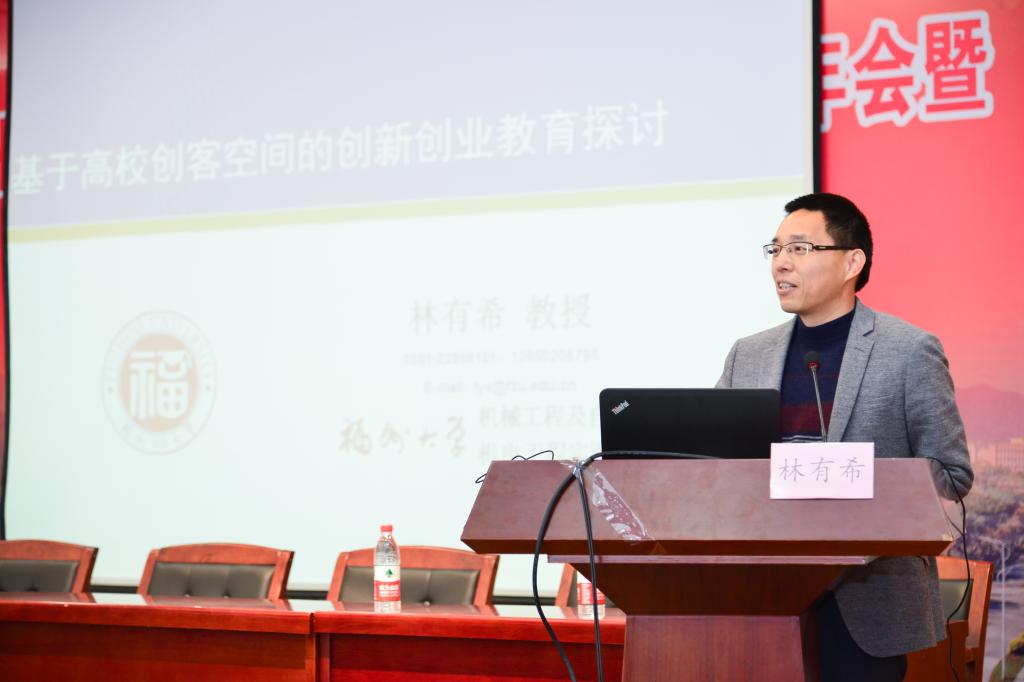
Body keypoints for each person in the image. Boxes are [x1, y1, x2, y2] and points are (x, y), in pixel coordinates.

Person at [716, 192, 973, 681]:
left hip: (866, 602)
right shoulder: (747, 355)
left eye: (799, 248)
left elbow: (951, 474)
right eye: (775, 250)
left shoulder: (909, 350)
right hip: (761, 596)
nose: (780, 264)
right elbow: (711, 466)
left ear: (852, 262)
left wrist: (847, 478)